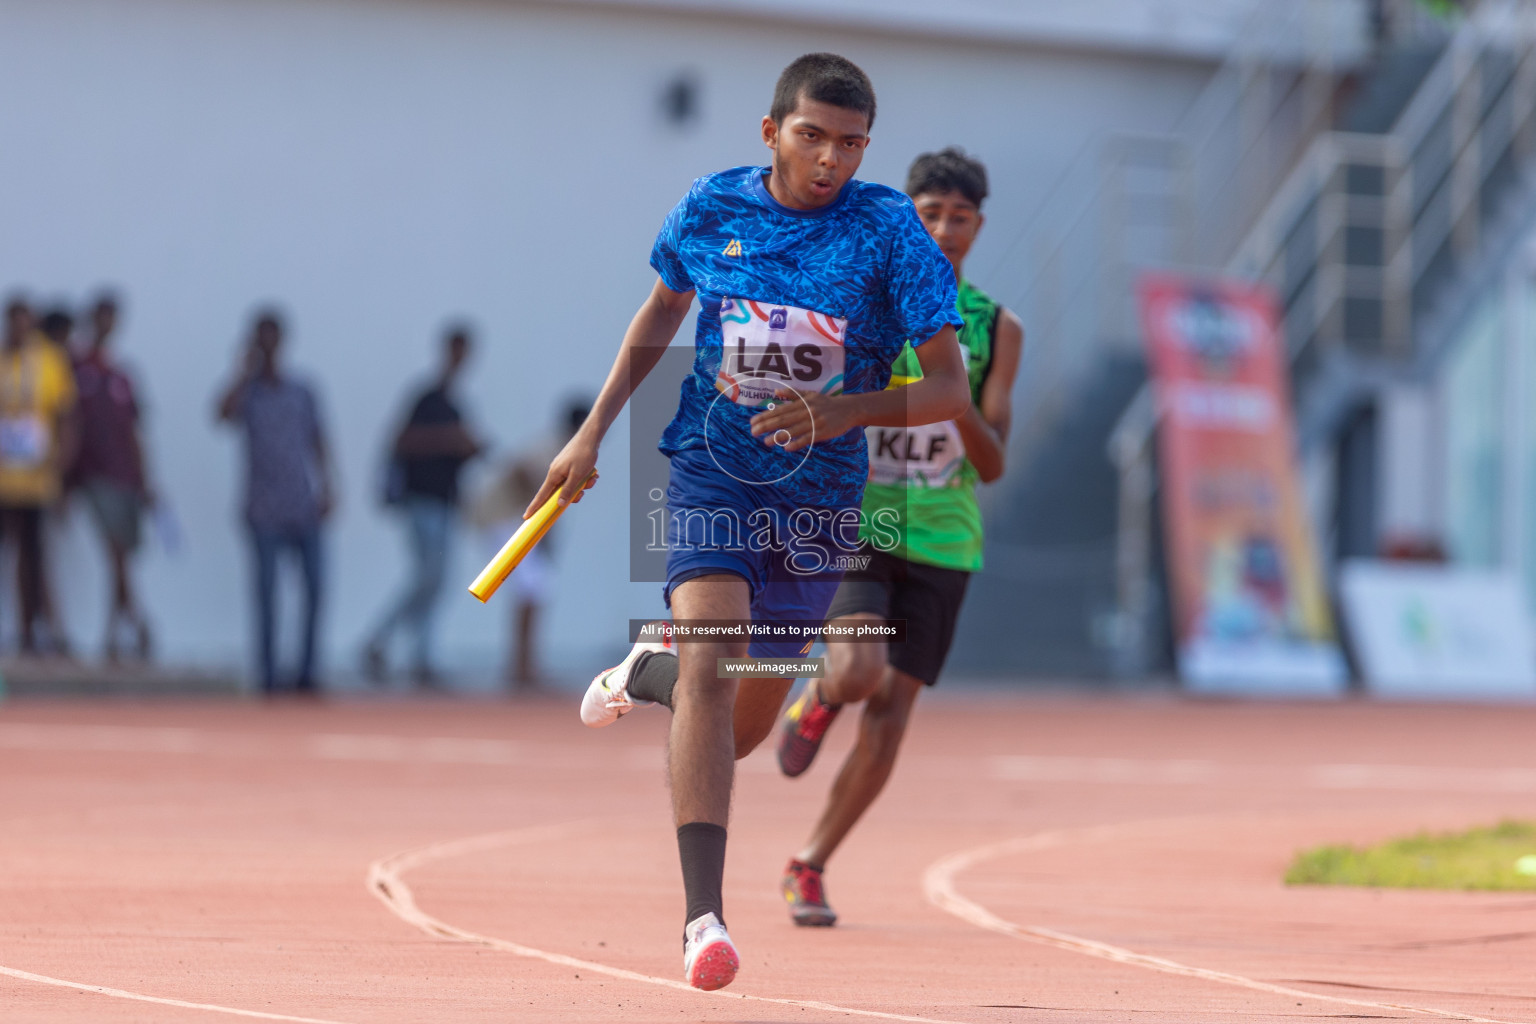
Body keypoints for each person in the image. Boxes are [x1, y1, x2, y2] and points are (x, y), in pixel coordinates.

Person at [528, 54, 969, 990]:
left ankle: (648, 674)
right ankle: (704, 922)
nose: (830, 161)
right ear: (772, 133)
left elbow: (947, 387)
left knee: (738, 724)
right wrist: (590, 434)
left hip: (818, 498)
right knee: (716, 660)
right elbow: (657, 315)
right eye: (813, 137)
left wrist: (842, 411)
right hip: (708, 471)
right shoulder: (712, 206)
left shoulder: (888, 227)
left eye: (851, 145)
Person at [775, 147, 1025, 926]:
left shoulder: (996, 328)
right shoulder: (864, 301)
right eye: (930, 214)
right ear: (906, 219)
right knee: (857, 671)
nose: (945, 230)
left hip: (945, 539)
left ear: (978, 227)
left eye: (960, 218)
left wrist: (950, 400)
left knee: (889, 723)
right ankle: (820, 696)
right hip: (864, 517)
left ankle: (809, 864)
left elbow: (992, 462)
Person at [215, 310, 334, 696]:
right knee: (266, 594)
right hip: (262, 508)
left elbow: (319, 439)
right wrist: (242, 370)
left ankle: (307, 672)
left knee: (315, 589)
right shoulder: (248, 392)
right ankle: (266, 675)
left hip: (302, 503)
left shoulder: (302, 390)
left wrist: (329, 486)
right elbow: (220, 414)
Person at [362, 326, 482, 688]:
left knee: (435, 581)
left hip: (444, 503)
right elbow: (401, 440)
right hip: (422, 502)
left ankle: (415, 655)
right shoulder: (427, 398)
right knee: (428, 578)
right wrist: (449, 440)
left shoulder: (455, 403)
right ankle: (386, 644)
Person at [467, 398, 588, 690]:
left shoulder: (561, 446)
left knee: (534, 587)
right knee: (532, 587)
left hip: (507, 519)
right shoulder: (560, 447)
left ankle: (523, 665)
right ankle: (522, 668)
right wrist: (534, 519)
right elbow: (521, 470)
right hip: (501, 517)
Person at [70, 293, 156, 661]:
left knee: (122, 556)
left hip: (126, 478)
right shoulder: (76, 370)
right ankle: (130, 627)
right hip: (95, 475)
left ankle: (123, 632)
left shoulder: (121, 375)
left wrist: (147, 479)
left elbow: (135, 431)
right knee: (114, 554)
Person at [0, 297, 78, 655]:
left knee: (33, 559)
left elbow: (65, 417)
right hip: (3, 480)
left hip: (35, 480)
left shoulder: (49, 361)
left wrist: (61, 465)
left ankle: (30, 631)